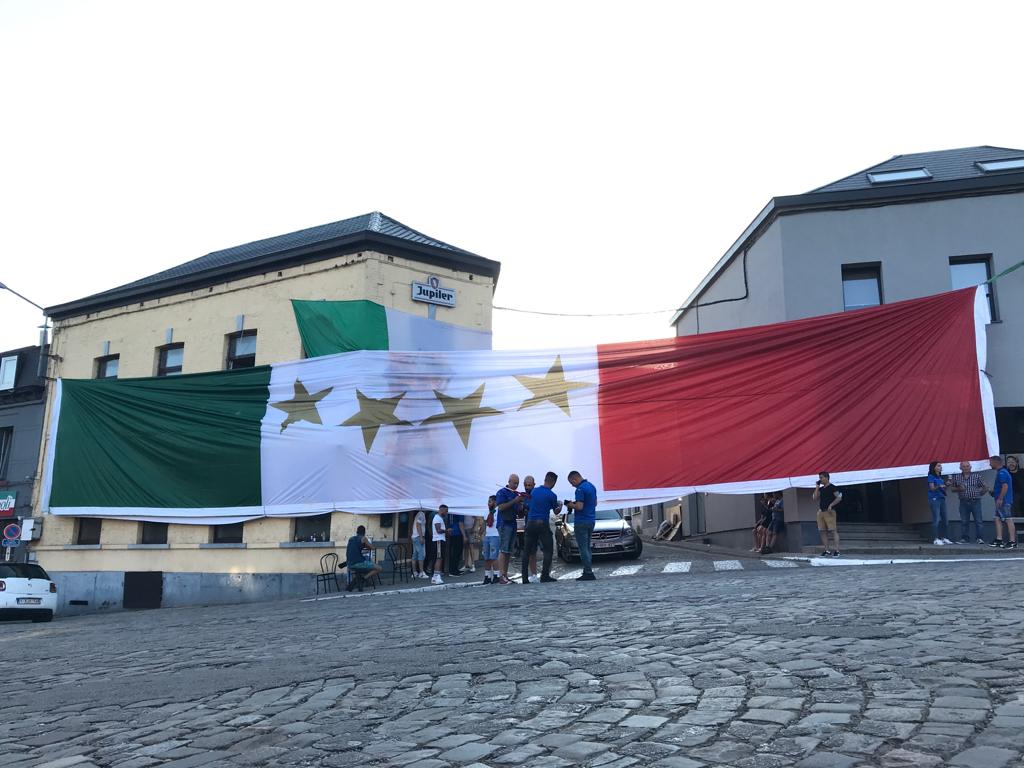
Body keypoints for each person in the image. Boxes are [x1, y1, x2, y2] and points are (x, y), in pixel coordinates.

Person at [521, 471, 560, 584]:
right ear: (553, 482)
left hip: (530, 523)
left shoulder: (534, 491)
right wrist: (560, 506)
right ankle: (545, 576)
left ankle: (524, 578)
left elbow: (528, 505)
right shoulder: (552, 495)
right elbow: (556, 511)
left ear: (545, 479)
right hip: (542, 523)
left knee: (527, 551)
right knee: (548, 550)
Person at [566, 470, 598, 580]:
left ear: (575, 479)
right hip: (591, 520)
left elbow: (579, 507)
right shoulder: (592, 486)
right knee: (587, 547)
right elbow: (595, 503)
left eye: (571, 482)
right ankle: (587, 570)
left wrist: (570, 504)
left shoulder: (580, 489)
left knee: (583, 548)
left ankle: (588, 572)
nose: (572, 485)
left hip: (581, 521)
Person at [494, 474, 524, 585]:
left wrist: (520, 504)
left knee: (508, 551)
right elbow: (501, 507)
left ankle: (505, 575)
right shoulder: (502, 492)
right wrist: (515, 501)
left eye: (517, 483)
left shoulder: (516, 494)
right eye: (514, 483)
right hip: (504, 523)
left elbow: (518, 511)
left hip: (512, 524)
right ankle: (501, 576)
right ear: (509, 481)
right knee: (504, 549)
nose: (516, 485)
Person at [948, 461, 987, 544]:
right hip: (963, 502)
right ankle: (965, 539)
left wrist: (979, 494)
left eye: (967, 466)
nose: (966, 468)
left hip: (975, 501)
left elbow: (985, 487)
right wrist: (959, 489)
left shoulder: (977, 476)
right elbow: (952, 489)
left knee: (978, 521)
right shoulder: (957, 477)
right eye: (964, 466)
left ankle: (979, 538)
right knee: (964, 521)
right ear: (960, 468)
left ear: (970, 467)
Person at [988, 455, 1017, 549]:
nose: (990, 464)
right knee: (997, 518)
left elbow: (1005, 486)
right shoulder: (1002, 472)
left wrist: (1000, 498)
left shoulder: (1002, 473)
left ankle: (1012, 541)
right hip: (1000, 500)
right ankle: (999, 539)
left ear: (996, 462)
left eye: (991, 462)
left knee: (1008, 519)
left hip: (1004, 501)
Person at [812, 472, 842, 557]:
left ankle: (837, 550)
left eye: (821, 478)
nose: (820, 479)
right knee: (822, 531)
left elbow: (839, 497)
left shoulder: (833, 487)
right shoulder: (821, 489)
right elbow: (814, 498)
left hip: (830, 511)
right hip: (821, 511)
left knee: (833, 530)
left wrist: (831, 504)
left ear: (827, 477)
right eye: (819, 478)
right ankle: (827, 550)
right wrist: (817, 487)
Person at [344, 525, 383, 591]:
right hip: (358, 563)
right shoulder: (363, 538)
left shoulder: (351, 539)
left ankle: (356, 581)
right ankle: (363, 579)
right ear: (364, 532)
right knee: (379, 568)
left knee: (361, 568)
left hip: (349, 564)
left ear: (357, 531)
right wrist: (367, 545)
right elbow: (372, 548)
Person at [926, 461, 953, 545]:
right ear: (934, 467)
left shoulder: (940, 478)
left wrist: (947, 485)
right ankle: (935, 539)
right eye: (938, 466)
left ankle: (944, 537)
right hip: (934, 499)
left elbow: (944, 490)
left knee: (945, 519)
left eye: (940, 466)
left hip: (942, 499)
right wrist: (939, 486)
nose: (940, 467)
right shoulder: (931, 476)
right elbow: (932, 488)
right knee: (936, 519)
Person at [482, 496, 501, 584]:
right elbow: (484, 524)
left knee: (494, 556)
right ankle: (487, 576)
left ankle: (497, 575)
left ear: (495, 502)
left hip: (495, 535)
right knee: (486, 557)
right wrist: (481, 534)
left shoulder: (499, 511)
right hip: (487, 536)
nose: (488, 503)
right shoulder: (487, 512)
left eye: (490, 501)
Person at [430, 505, 448, 584]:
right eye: (446, 511)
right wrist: (447, 531)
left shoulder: (439, 518)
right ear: (442, 510)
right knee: (439, 558)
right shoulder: (437, 518)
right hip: (438, 540)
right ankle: (437, 576)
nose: (446, 513)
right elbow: (438, 530)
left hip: (440, 540)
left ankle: (435, 576)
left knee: (440, 558)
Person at [446, 508, 465, 576]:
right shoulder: (459, 512)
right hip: (457, 533)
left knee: (453, 552)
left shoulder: (450, 512)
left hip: (451, 532)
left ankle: (453, 569)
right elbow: (460, 523)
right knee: (457, 552)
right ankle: (453, 571)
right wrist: (464, 535)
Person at [411, 508, 428, 579]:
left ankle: (414, 572)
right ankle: (421, 572)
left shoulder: (418, 514)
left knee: (415, 555)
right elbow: (418, 525)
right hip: (418, 536)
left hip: (415, 536)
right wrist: (421, 537)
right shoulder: (421, 514)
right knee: (421, 554)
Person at [1007, 455, 1024, 519]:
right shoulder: (1006, 474)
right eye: (1009, 462)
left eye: (1012, 462)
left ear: (1017, 463)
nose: (1011, 464)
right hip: (1013, 501)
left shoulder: (1022, 472)